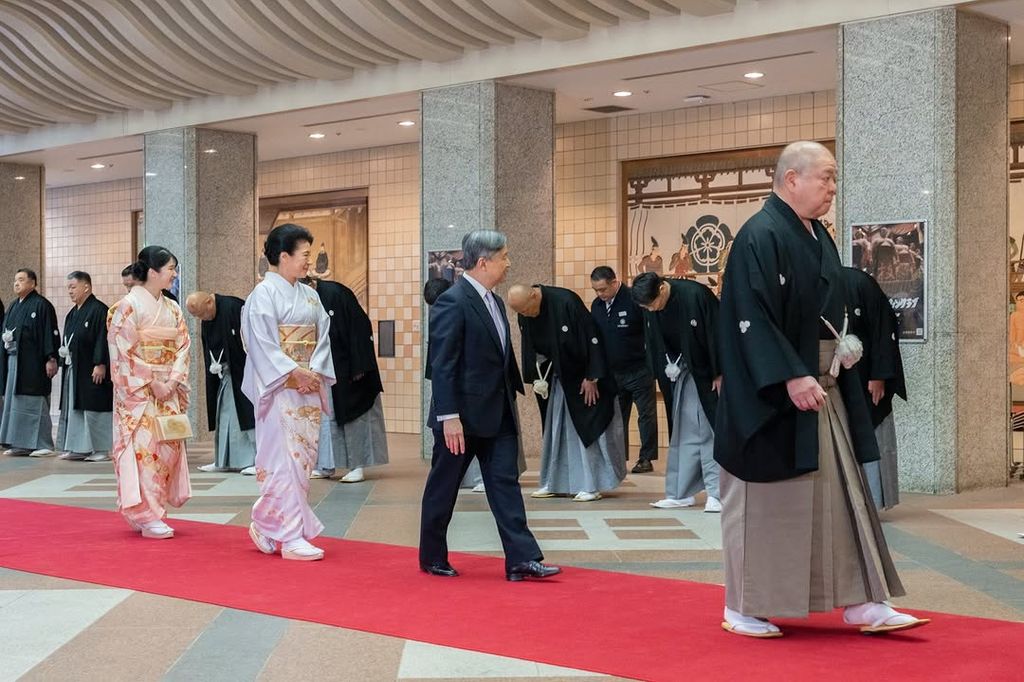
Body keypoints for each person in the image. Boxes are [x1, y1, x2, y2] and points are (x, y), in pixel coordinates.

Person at [715, 141, 927, 638]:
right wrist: (789, 373)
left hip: (823, 383)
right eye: (825, 177)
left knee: (840, 496)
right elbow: (748, 316)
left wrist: (844, 346)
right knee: (766, 504)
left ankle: (861, 601)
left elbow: (832, 306)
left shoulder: (816, 234)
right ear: (792, 179)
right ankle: (743, 606)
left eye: (833, 178)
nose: (833, 187)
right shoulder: (759, 235)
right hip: (773, 393)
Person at [419, 230, 559, 581]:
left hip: (498, 412)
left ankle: (522, 559)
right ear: (483, 262)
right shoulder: (453, 301)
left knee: (505, 484)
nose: (508, 263)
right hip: (460, 419)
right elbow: (443, 364)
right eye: (504, 257)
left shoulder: (494, 301)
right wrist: (448, 416)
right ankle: (432, 556)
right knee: (444, 487)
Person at [242, 224, 336, 561]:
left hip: (307, 385)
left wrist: (314, 372)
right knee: (284, 460)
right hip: (280, 389)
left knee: (302, 460)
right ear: (284, 256)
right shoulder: (262, 295)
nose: (309, 261)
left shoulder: (310, 295)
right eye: (305, 255)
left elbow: (322, 337)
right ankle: (292, 536)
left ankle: (267, 523)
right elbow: (261, 345)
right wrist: (294, 373)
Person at [509, 284, 625, 502]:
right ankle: (554, 482)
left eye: (526, 309)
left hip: (583, 379)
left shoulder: (566, 301)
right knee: (556, 430)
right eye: (520, 312)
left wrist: (592, 376)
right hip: (558, 379)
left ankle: (591, 484)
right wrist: (537, 377)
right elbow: (532, 348)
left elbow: (592, 337)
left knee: (587, 429)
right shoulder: (525, 312)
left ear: (534, 295)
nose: (525, 315)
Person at [108, 247, 191, 540]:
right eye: (170, 268)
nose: (174, 274)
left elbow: (183, 346)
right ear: (153, 272)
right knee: (144, 452)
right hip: (141, 394)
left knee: (166, 451)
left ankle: (152, 511)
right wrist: (153, 381)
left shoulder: (173, 308)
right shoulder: (126, 307)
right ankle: (147, 514)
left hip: (168, 389)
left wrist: (173, 380)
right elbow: (122, 352)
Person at [632, 272, 722, 512]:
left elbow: (718, 334)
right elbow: (653, 341)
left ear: (662, 288)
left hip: (708, 375)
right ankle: (681, 492)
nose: (651, 310)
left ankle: (718, 492)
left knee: (710, 432)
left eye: (652, 304)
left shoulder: (696, 295)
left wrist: (719, 372)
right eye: (646, 307)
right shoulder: (650, 305)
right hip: (679, 373)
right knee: (684, 432)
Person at [310, 277, 389, 483]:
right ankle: (326, 464)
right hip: (327, 367)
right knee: (326, 419)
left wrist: (359, 366)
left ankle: (357, 466)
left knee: (356, 417)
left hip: (351, 367)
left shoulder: (335, 294)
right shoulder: (310, 299)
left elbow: (360, 327)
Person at [843, 267, 907, 511]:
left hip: (867, 376)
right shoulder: (811, 284)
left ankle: (874, 499)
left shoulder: (860, 282)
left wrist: (879, 375)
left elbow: (883, 327)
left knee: (875, 431)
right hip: (834, 378)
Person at [589, 266, 658, 474]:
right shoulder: (596, 306)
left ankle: (646, 458)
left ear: (614, 282)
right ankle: (618, 457)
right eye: (596, 290)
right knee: (618, 417)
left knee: (646, 415)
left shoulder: (633, 299)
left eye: (603, 289)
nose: (600, 294)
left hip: (639, 369)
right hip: (613, 373)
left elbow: (650, 333)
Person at [185, 291, 256, 475]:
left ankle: (257, 459)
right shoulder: (207, 316)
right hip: (223, 375)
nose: (202, 319)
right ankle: (222, 460)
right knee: (224, 417)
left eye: (202, 314)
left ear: (209, 302)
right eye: (197, 316)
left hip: (242, 372)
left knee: (246, 414)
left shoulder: (234, 307)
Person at [424, 278, 485, 493]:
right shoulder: (440, 311)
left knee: (475, 436)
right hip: (445, 385)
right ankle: (460, 478)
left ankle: (480, 477)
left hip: (472, 387)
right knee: (445, 438)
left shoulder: (464, 306)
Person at [0, 268, 59, 457]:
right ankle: (21, 443)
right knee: (15, 402)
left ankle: (43, 443)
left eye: (21, 280)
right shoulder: (13, 305)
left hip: (34, 363)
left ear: (33, 283)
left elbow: (49, 332)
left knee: (35, 401)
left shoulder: (42, 305)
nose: (16, 283)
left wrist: (51, 358)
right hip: (14, 360)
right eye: (15, 280)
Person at [55, 272, 113, 462]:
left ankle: (101, 449)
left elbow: (103, 339)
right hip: (74, 367)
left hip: (92, 368)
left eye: (73, 287)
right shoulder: (72, 313)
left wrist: (100, 363)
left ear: (86, 286)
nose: (70, 291)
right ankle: (78, 447)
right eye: (68, 288)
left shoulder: (99, 310)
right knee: (75, 408)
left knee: (94, 407)